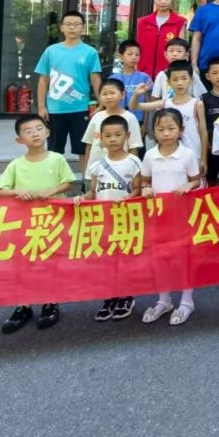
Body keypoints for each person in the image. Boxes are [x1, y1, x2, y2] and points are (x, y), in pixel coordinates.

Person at [0, 115, 77, 334]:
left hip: (53, 221)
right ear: (19, 140)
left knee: (51, 262)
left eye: (39, 129)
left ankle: (51, 302)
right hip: (25, 224)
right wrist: (17, 192)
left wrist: (54, 190)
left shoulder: (57, 159)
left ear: (47, 132)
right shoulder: (16, 164)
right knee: (24, 264)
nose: (35, 134)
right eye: (28, 131)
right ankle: (24, 305)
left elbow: (69, 182)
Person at [77, 114, 143, 323]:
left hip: (125, 219)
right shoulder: (97, 165)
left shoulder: (134, 162)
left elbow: (138, 189)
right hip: (103, 221)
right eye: (108, 135)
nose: (113, 139)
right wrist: (82, 198)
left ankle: (126, 295)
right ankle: (110, 296)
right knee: (107, 259)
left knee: (125, 258)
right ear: (101, 138)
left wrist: (128, 198)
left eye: (117, 134)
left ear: (127, 136)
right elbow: (92, 192)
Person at [140, 109, 203, 326]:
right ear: (154, 131)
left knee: (183, 258)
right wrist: (146, 188)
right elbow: (145, 180)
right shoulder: (150, 155)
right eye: (160, 129)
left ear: (181, 130)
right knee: (161, 258)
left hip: (182, 215)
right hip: (158, 216)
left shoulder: (187, 154)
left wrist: (189, 185)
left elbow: (197, 179)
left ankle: (187, 301)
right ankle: (164, 300)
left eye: (171, 128)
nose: (166, 133)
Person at [35, 9, 101, 157]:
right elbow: (43, 80)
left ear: (83, 27)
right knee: (54, 150)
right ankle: (55, 174)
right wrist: (41, 107)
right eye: (68, 24)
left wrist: (101, 103)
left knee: (83, 149)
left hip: (81, 107)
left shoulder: (90, 52)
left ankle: (84, 174)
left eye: (76, 24)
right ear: (61, 27)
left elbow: (95, 79)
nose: (72, 27)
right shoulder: (51, 51)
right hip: (55, 109)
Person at [138, 60, 208, 173]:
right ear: (168, 82)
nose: (180, 83)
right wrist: (137, 94)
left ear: (191, 80)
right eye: (175, 79)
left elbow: (203, 132)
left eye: (184, 78)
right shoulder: (165, 103)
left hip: (194, 154)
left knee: (194, 182)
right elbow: (135, 106)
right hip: (170, 156)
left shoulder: (197, 104)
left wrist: (204, 159)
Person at [78, 78, 142, 178]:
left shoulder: (130, 118)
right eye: (104, 94)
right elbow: (89, 145)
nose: (108, 97)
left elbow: (134, 148)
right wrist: (87, 172)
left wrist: (131, 172)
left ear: (123, 94)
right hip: (95, 173)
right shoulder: (96, 117)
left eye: (112, 93)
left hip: (121, 173)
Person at [134, 0, 188, 78]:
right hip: (143, 72)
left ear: (172, 0)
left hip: (169, 72)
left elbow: (182, 49)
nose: (163, 2)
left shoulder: (179, 22)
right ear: (154, 0)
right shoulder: (143, 22)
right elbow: (137, 46)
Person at [111, 40, 153, 123]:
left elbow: (148, 102)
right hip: (116, 120)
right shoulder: (113, 79)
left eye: (137, 54)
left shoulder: (145, 77)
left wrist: (145, 124)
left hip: (138, 120)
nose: (134, 57)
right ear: (121, 56)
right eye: (130, 54)